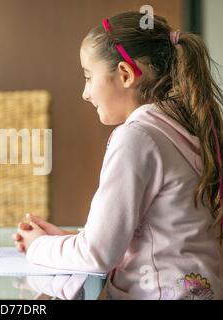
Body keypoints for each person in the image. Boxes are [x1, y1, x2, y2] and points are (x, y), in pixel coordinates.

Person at [13, 11, 223, 300]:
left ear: (124, 74)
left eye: (88, 77)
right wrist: (67, 241)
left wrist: (37, 246)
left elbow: (98, 255)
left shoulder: (137, 137)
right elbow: (148, 233)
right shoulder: (181, 125)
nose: (85, 93)